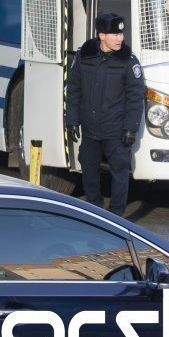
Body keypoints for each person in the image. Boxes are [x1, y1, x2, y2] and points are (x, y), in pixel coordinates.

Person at [64, 12, 145, 217]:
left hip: (116, 129)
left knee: (119, 171)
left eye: (121, 34)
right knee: (88, 168)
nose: (120, 38)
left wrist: (130, 128)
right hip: (90, 128)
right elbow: (73, 89)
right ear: (101, 35)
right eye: (114, 34)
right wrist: (71, 121)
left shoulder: (128, 60)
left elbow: (135, 97)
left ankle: (116, 215)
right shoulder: (85, 55)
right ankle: (95, 208)